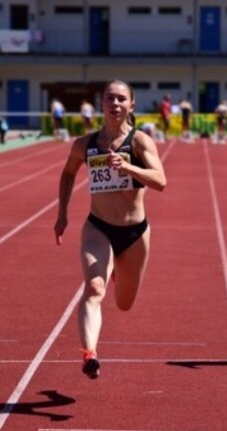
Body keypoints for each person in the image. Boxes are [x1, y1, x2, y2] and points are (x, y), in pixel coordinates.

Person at [54, 79, 167, 379]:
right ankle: (89, 353)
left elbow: (161, 181)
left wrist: (128, 167)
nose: (114, 104)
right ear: (101, 104)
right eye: (109, 98)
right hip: (98, 227)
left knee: (124, 304)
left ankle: (118, 268)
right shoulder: (86, 145)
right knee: (93, 288)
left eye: (121, 99)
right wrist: (62, 214)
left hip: (134, 234)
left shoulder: (140, 142)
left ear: (131, 105)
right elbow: (67, 174)